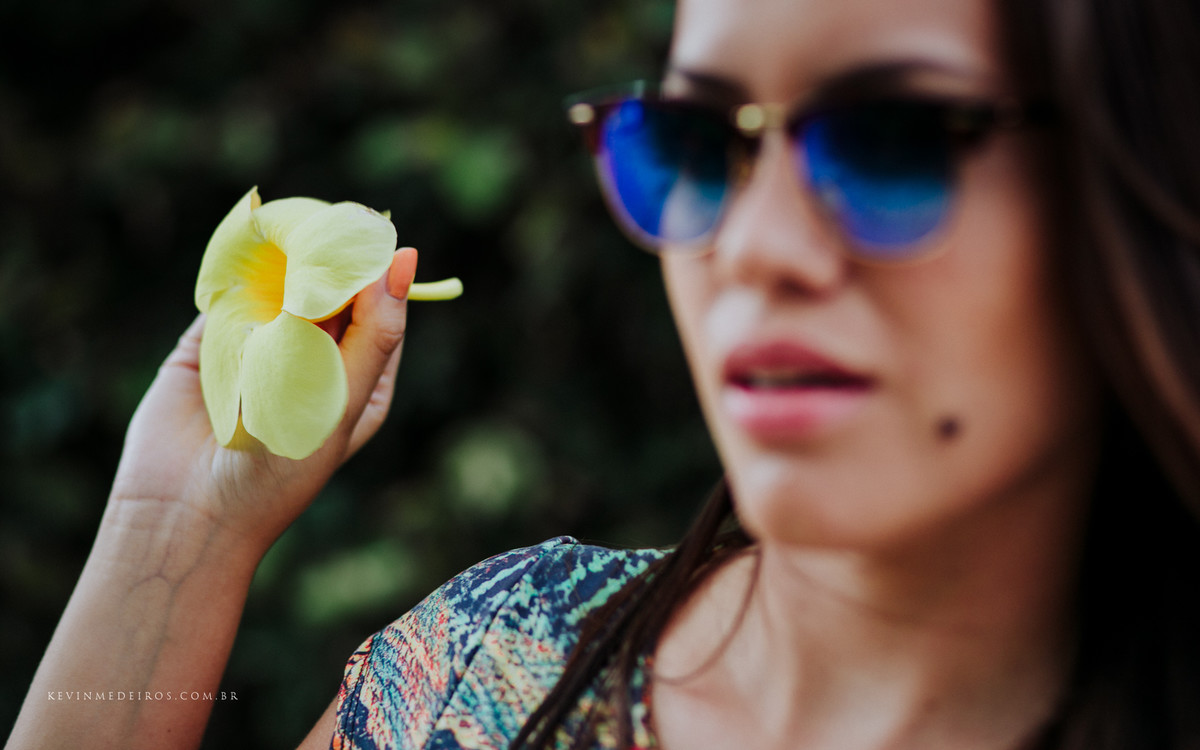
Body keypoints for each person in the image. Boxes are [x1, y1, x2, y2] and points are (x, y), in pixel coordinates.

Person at [9, 0, 1200, 747]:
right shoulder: (489, 672)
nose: (752, 247)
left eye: (893, 141)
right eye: (696, 141)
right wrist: (178, 531)